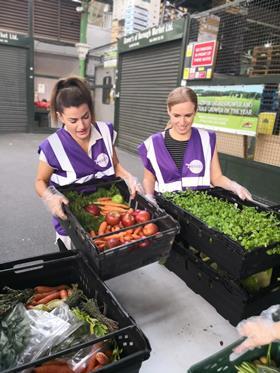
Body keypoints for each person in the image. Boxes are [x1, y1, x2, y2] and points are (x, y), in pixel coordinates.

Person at [35, 76, 140, 250]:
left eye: (85, 116)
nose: (82, 126)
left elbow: (115, 166)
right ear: (61, 117)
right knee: (75, 267)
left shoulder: (105, 131)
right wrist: (50, 197)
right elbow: (40, 181)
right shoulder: (52, 146)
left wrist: (129, 178)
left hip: (106, 217)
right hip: (71, 220)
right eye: (73, 120)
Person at [138, 86, 252, 200]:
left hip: (198, 211)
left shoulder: (207, 139)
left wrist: (234, 186)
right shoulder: (152, 144)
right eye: (176, 115)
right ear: (168, 111)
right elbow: (149, 178)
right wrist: (149, 196)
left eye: (188, 115)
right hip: (166, 210)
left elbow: (216, 177)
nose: (182, 122)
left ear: (195, 111)